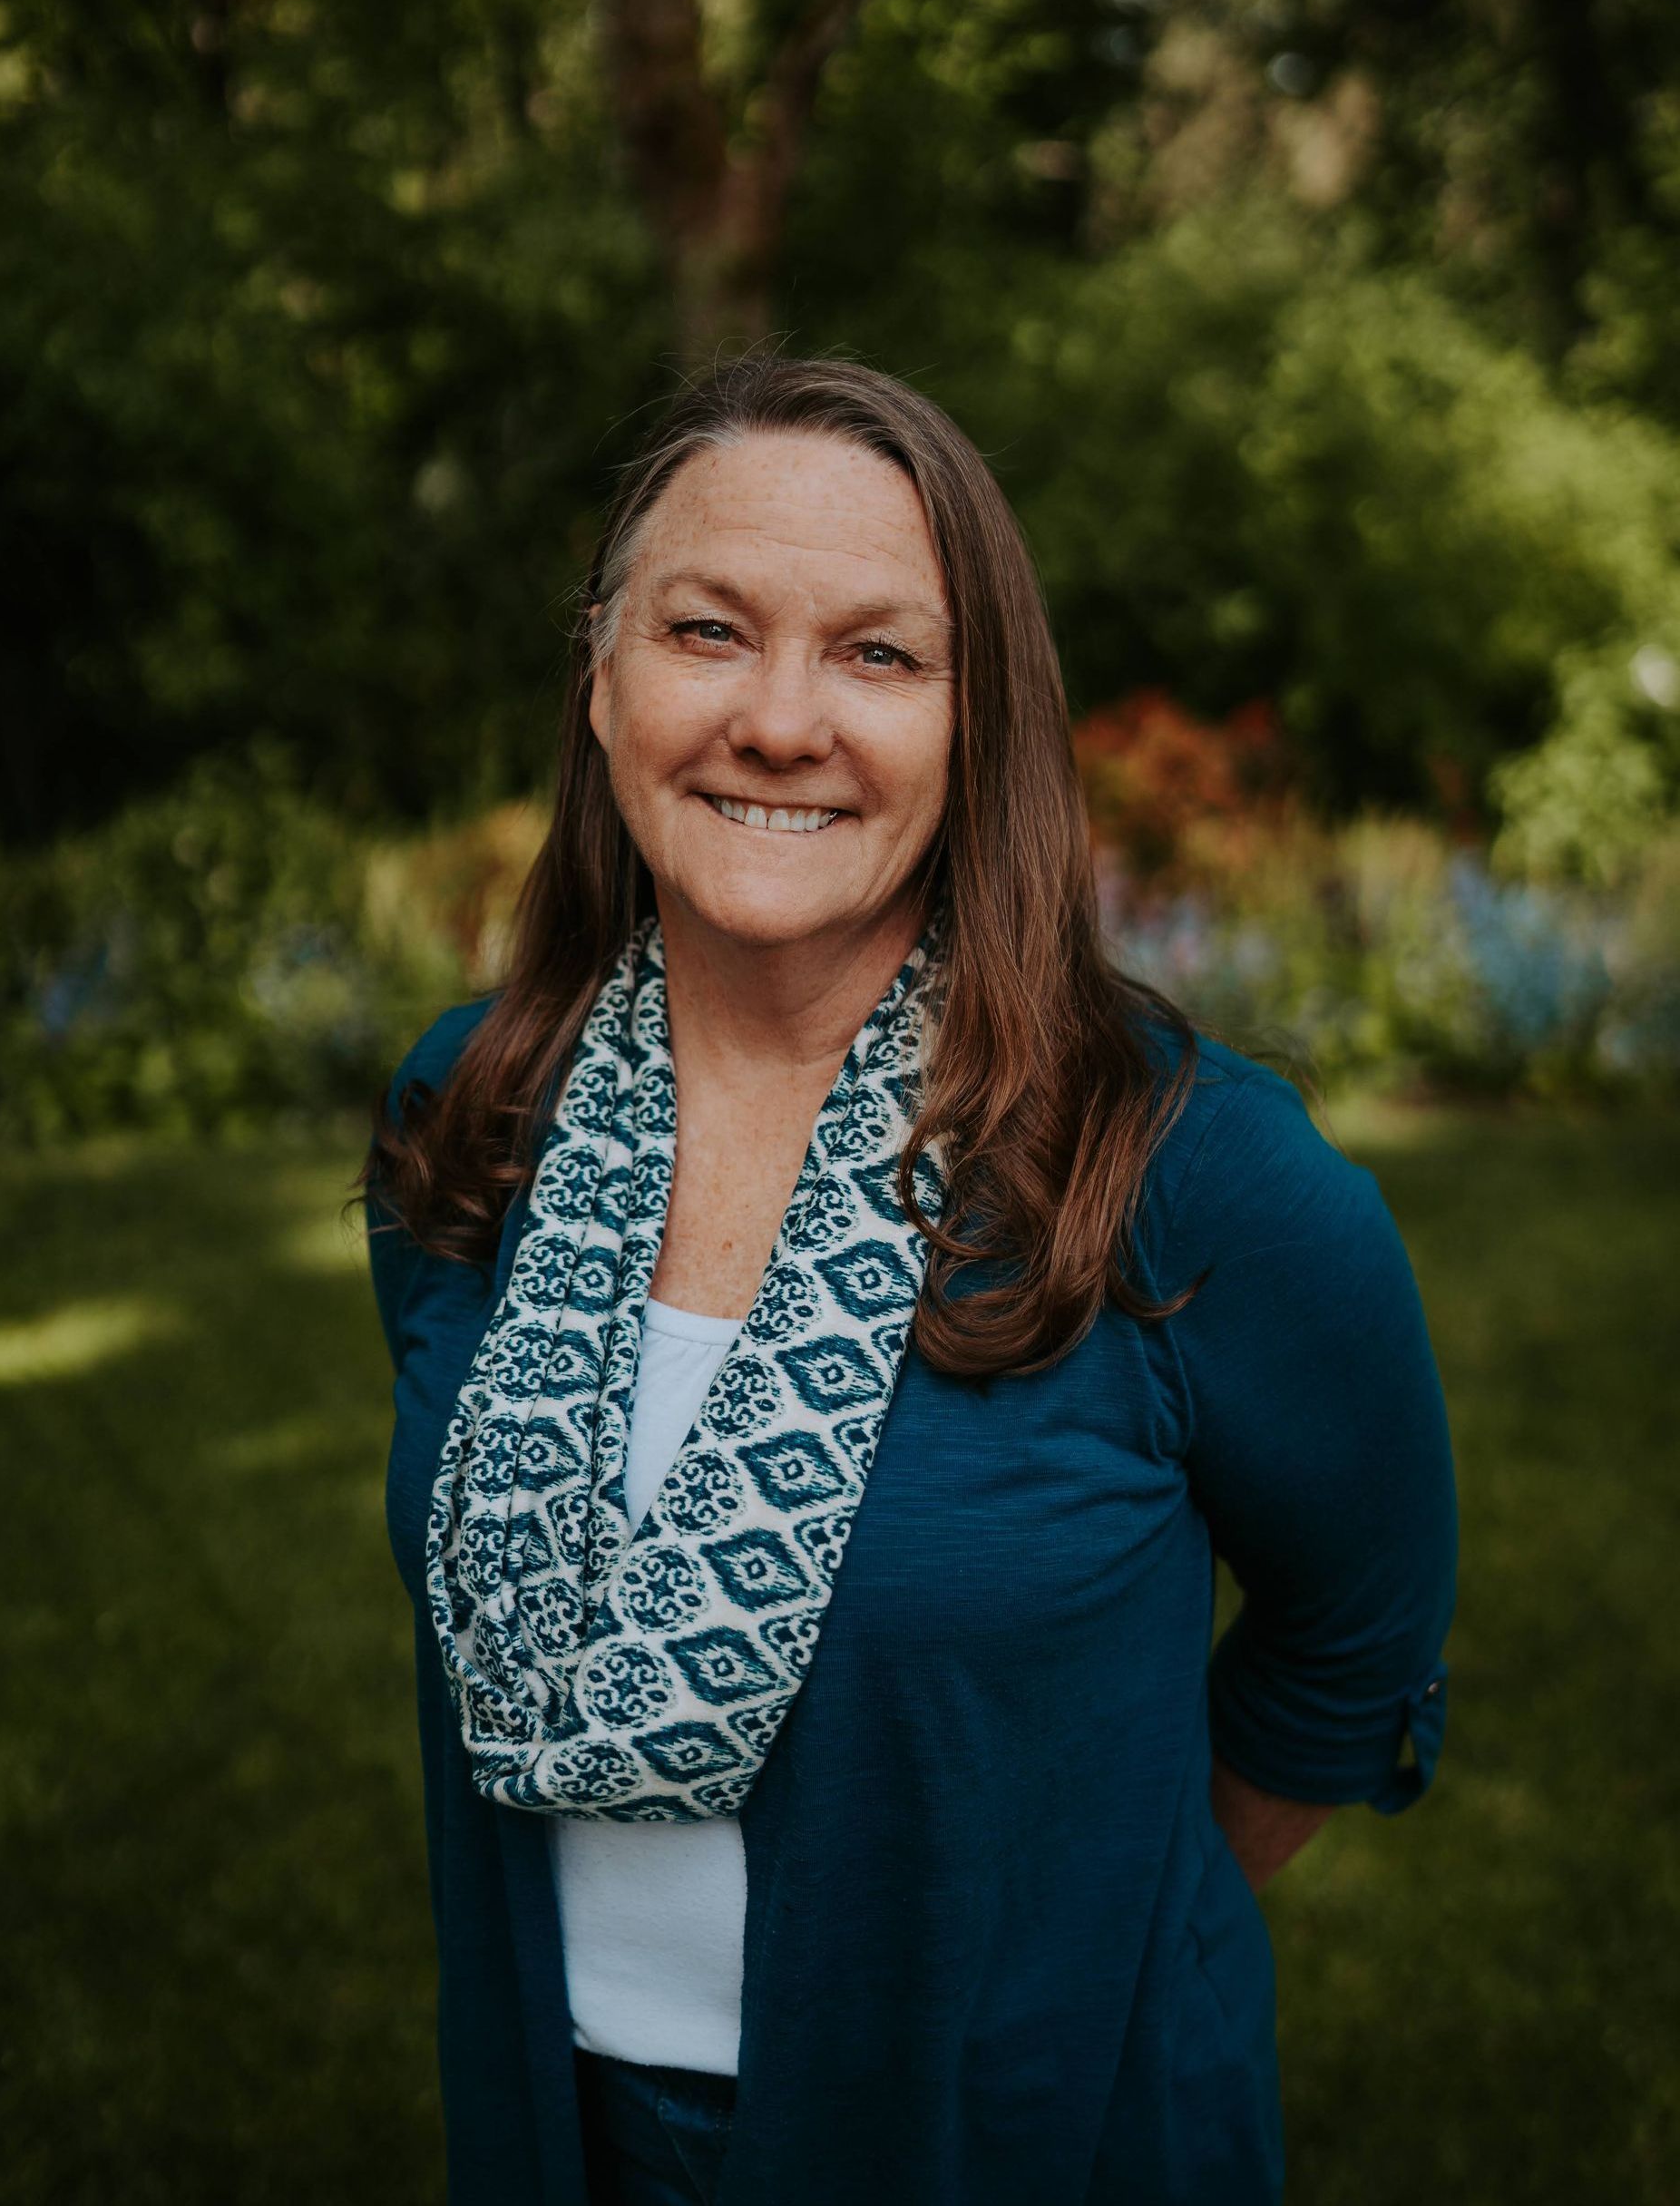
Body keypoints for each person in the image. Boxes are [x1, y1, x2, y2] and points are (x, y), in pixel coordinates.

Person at [359, 351, 1458, 2206]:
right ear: (603, 675)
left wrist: (1089, 1916)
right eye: (711, 628)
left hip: (1018, 2132)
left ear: (977, 722)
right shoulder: (470, 1125)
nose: (782, 720)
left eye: (879, 653)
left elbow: (1358, 1632)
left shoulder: (1188, 1169)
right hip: (561, 2127)